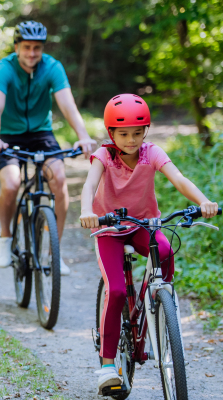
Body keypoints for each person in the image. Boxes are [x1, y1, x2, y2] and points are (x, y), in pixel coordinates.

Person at [79, 93, 218, 395]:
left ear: (146, 132)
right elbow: (90, 184)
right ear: (111, 134)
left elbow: (178, 179)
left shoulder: (151, 153)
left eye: (138, 133)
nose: (131, 140)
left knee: (166, 251)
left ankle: (159, 310)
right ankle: (106, 364)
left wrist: (203, 201)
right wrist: (87, 211)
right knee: (116, 290)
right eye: (124, 134)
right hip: (110, 229)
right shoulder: (104, 156)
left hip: (144, 224)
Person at [0, 20, 97, 274]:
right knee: (12, 184)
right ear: (17, 47)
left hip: (41, 134)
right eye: (26, 47)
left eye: (37, 48)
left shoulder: (52, 67)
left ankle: (53, 254)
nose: (32, 53)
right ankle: (5, 237)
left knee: (58, 179)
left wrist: (83, 135)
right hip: (8, 136)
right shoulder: (4, 68)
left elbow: (68, 105)